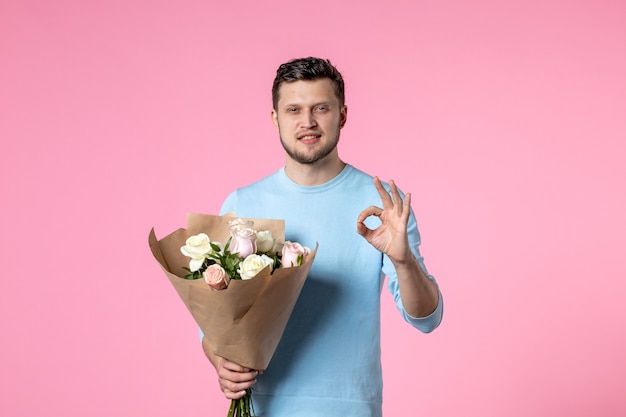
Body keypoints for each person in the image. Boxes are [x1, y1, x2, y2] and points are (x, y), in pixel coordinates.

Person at [202, 56, 443, 416]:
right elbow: (213, 322)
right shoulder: (243, 204)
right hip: (264, 408)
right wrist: (220, 361)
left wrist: (403, 261)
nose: (308, 122)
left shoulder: (381, 207)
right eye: (294, 109)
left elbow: (426, 318)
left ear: (342, 115)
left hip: (352, 409)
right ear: (275, 119)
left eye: (321, 108)